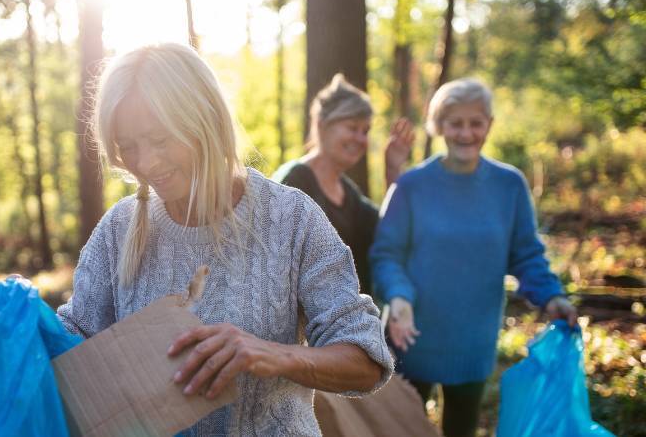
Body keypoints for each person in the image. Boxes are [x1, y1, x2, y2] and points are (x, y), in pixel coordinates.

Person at [54, 43, 394, 436]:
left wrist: (277, 355)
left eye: (161, 139)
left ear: (205, 119)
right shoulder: (119, 229)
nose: (144, 163)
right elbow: (73, 350)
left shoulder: (290, 218)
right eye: (128, 146)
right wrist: (22, 335)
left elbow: (365, 362)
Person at [369, 78, 578, 437]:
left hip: (473, 340)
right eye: (455, 123)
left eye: (475, 123)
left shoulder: (509, 185)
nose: (466, 133)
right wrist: (400, 296)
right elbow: (387, 254)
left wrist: (552, 296)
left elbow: (526, 255)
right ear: (438, 127)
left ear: (489, 125)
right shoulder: (411, 185)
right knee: (401, 429)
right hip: (411, 335)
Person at [273, 74, 414, 294]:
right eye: (352, 127)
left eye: (365, 131)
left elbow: (391, 232)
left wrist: (392, 170)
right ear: (322, 125)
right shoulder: (293, 182)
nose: (360, 138)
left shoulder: (349, 194)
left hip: (350, 323)